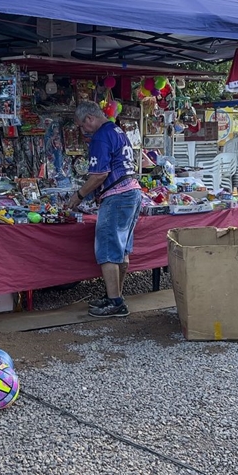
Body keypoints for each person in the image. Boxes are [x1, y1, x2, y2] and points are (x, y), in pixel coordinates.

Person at [66, 100, 142, 318]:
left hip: (117, 195)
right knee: (122, 249)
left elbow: (99, 174)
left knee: (107, 250)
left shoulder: (100, 136)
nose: (83, 130)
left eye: (82, 125)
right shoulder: (117, 130)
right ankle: (115, 295)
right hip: (132, 191)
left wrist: (79, 196)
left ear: (89, 118)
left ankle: (115, 302)